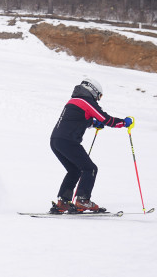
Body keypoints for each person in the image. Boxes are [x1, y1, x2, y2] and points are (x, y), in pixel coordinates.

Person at [49, 78, 133, 213]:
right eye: (99, 96)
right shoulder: (86, 101)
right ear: (93, 91)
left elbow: (78, 119)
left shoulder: (74, 101)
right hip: (68, 141)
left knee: (75, 170)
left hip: (56, 141)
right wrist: (124, 123)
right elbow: (106, 119)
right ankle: (83, 200)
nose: (98, 99)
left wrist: (93, 123)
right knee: (90, 169)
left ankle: (63, 202)